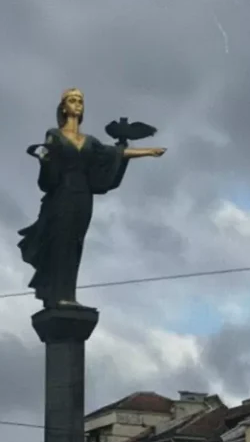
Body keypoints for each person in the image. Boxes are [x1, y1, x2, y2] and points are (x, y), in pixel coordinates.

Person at [18, 88, 166, 308]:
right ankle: (56, 295)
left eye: (80, 101)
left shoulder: (90, 141)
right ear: (63, 107)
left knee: (76, 243)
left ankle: (68, 295)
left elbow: (114, 153)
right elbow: (49, 162)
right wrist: (45, 160)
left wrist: (148, 151)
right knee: (61, 242)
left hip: (83, 198)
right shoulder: (54, 134)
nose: (77, 105)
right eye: (72, 101)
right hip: (61, 196)